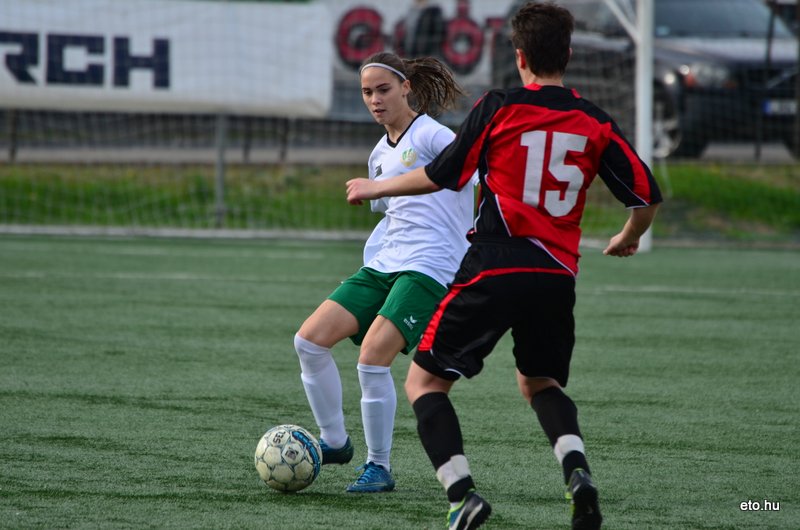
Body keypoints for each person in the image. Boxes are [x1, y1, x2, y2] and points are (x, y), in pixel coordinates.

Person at [346, 2, 662, 528]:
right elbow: (645, 196)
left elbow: (445, 174)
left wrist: (376, 187)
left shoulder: (499, 107)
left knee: (424, 384)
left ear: (518, 57)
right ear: (568, 54)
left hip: (494, 265)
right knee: (541, 384)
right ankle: (577, 473)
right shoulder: (593, 120)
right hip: (555, 275)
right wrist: (628, 237)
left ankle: (462, 496)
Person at [294, 51, 474, 493]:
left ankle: (379, 466)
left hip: (430, 266)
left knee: (372, 356)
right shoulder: (378, 153)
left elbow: (466, 174)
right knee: (309, 341)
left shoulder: (433, 134)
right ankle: (335, 442)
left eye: (383, 90)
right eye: (366, 92)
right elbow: (395, 212)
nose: (375, 100)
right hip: (386, 262)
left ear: (406, 87)